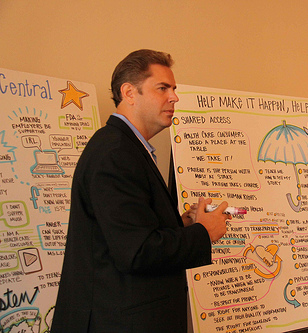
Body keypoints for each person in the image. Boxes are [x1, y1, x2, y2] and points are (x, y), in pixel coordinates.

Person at [51, 49, 230, 332]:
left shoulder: (126, 148)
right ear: (129, 93)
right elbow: (136, 252)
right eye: (163, 88)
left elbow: (129, 232)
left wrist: (183, 224)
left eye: (174, 89)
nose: (174, 97)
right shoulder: (115, 153)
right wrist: (203, 233)